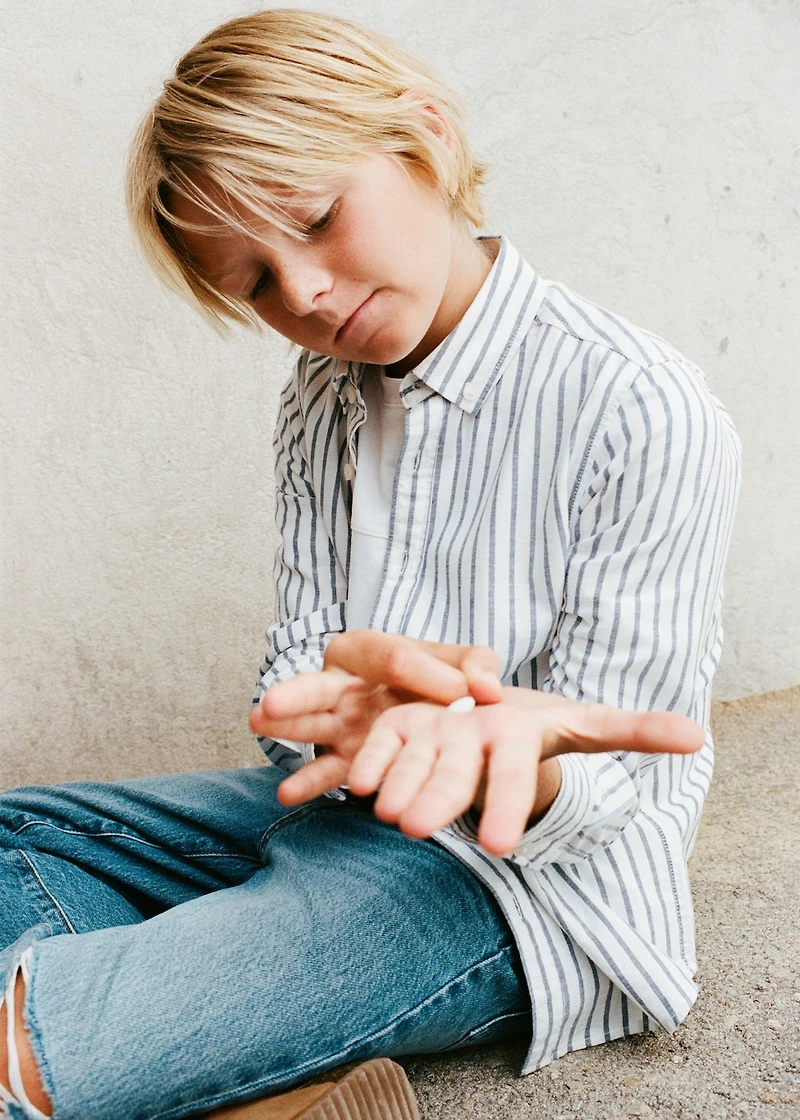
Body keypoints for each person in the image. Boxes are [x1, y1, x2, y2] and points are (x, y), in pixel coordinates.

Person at [0, 9, 741, 1120]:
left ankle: (124, 1046)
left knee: (41, 1046)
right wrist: (339, 719)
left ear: (424, 137)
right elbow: (292, 685)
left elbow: (620, 786)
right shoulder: (318, 401)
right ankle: (245, 1085)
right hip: (339, 814)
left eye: (314, 219)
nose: (298, 292)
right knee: (19, 835)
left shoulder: (636, 404)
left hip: (520, 887)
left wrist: (512, 751)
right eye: (252, 281)